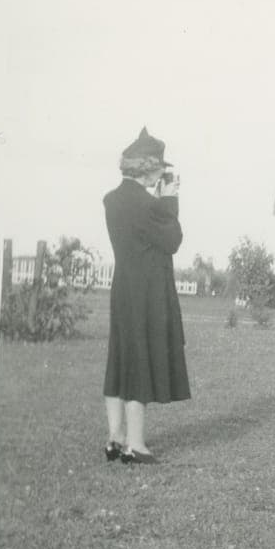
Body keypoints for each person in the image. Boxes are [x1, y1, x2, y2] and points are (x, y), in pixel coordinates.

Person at [101, 127, 191, 464]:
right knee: (139, 361)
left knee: (119, 358)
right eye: (160, 169)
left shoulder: (111, 200)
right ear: (149, 168)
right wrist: (170, 200)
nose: (162, 175)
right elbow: (172, 240)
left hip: (123, 285)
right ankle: (135, 445)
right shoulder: (150, 205)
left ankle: (115, 437)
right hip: (147, 292)